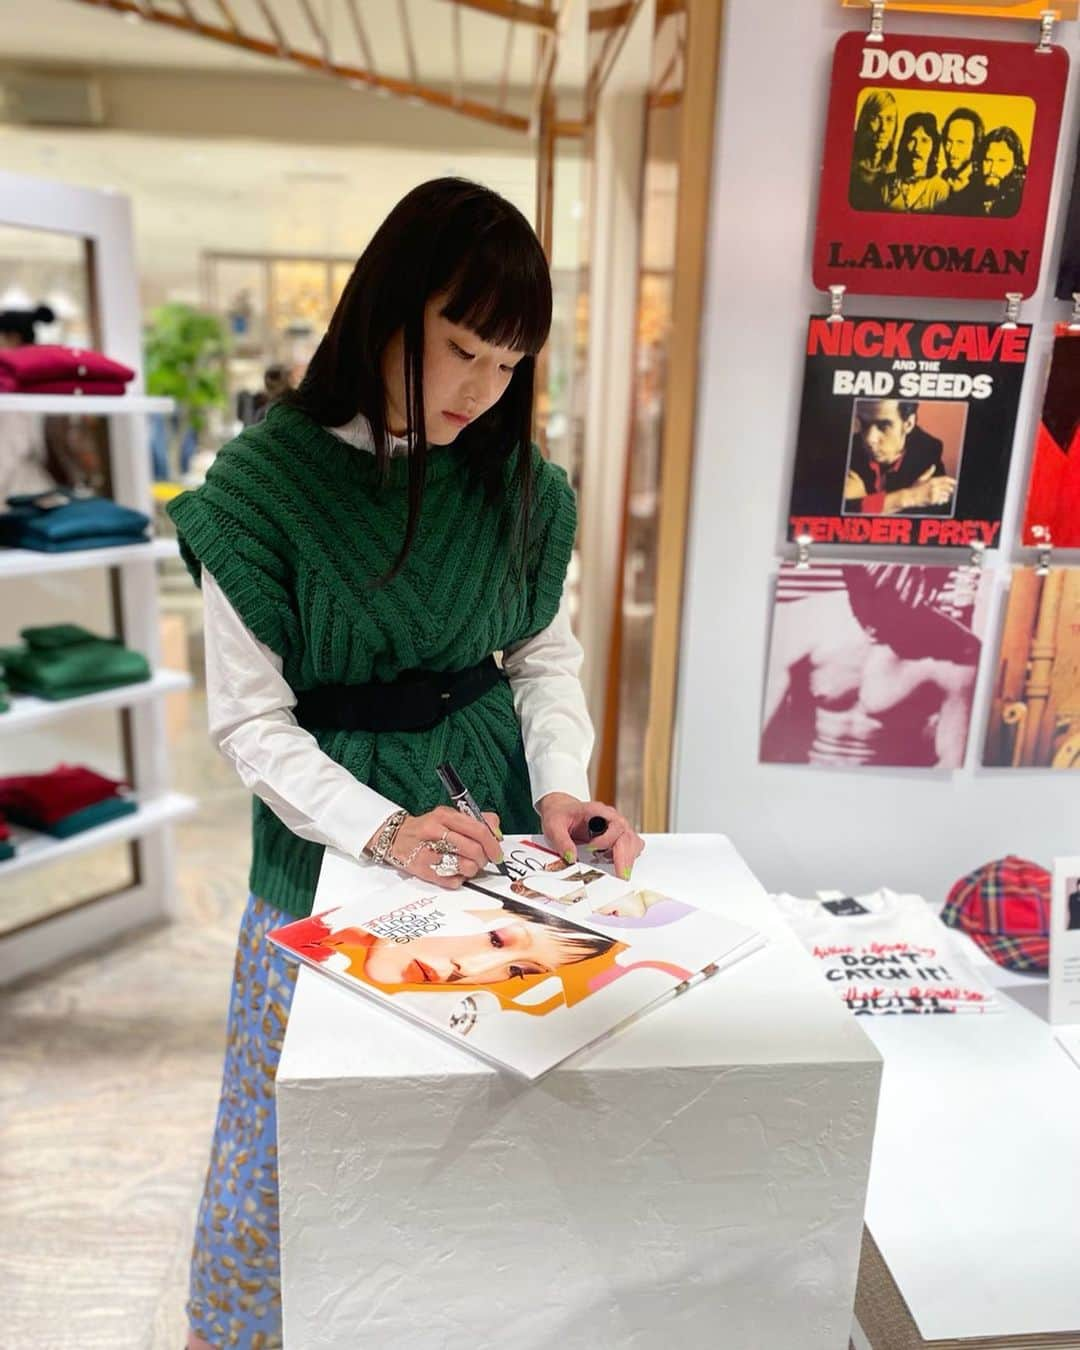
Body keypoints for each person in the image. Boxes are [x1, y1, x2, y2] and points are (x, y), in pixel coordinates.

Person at [167, 177, 645, 1350]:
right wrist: (384, 828)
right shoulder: (260, 490)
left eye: (508, 363)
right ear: (385, 311)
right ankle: (236, 1332)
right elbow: (250, 723)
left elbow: (541, 657)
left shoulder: (523, 488)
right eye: (462, 350)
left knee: (483, 1107)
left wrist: (562, 789)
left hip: (491, 829)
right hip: (329, 837)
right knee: (286, 1109)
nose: (483, 391)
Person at [762, 564, 980, 769]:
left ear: (920, 593)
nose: (870, 614)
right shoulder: (808, 621)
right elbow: (765, 739)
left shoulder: (956, 657)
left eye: (889, 602)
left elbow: (952, 764)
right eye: (863, 596)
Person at [844, 398, 956, 516]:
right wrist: (911, 497)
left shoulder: (928, 453)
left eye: (883, 426)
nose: (869, 439)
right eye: (864, 424)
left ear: (908, 424)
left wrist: (865, 502)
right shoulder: (849, 447)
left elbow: (930, 520)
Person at [0, 304, 58, 502]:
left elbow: (14, 446)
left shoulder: (15, 386)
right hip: (33, 484)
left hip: (18, 488)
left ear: (12, 338)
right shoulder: (43, 377)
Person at [950, 126, 1027, 217]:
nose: (993, 169)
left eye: (1002, 161)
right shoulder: (965, 198)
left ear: (1016, 165)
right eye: (988, 160)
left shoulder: (1024, 199)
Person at [880, 112, 950, 213]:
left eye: (924, 141)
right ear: (904, 143)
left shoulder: (940, 189)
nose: (917, 148)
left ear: (933, 147)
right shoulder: (886, 184)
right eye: (912, 139)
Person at [849, 89, 899, 210]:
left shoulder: (898, 167)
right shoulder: (849, 163)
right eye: (876, 119)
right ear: (865, 121)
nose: (884, 128)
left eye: (889, 120)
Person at [936, 107, 985, 210]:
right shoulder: (939, 182)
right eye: (949, 142)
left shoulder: (983, 188)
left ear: (975, 146)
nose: (952, 151)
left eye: (960, 143)